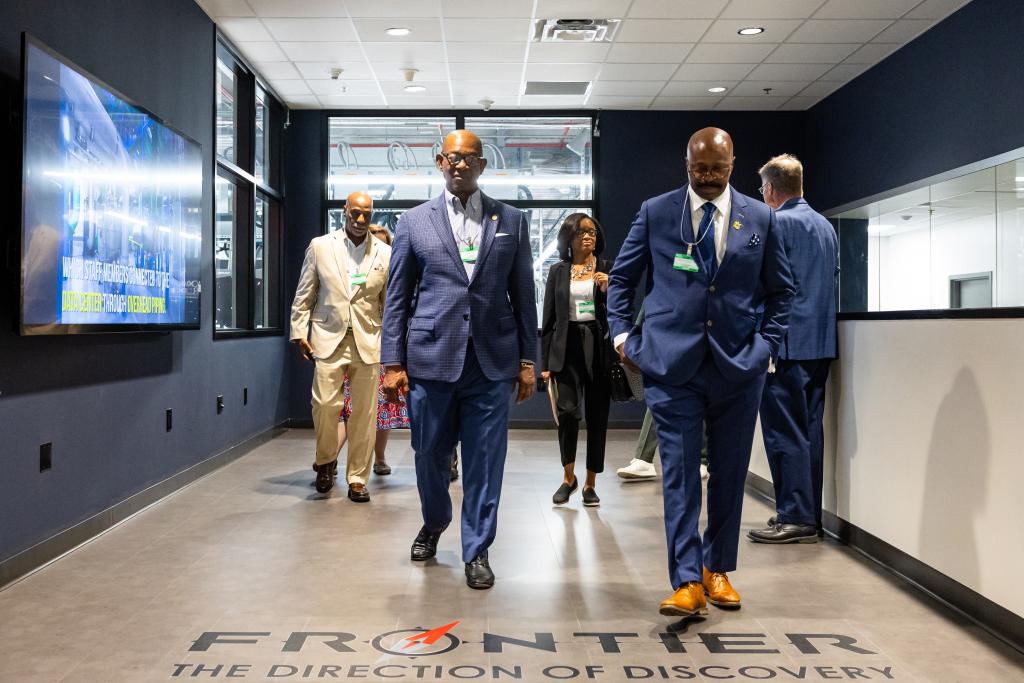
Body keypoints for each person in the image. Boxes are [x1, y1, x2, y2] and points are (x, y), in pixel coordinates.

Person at [607, 127, 794, 618]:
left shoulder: (761, 219)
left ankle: (718, 570)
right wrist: (624, 336)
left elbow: (781, 292)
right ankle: (687, 580)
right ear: (686, 165)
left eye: (718, 169)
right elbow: (623, 277)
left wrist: (767, 345)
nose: (708, 178)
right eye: (699, 169)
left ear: (733, 165)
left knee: (730, 473)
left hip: (739, 367)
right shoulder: (657, 211)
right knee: (681, 476)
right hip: (672, 365)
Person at [381, 130, 537, 590]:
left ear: (483, 165)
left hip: (491, 362)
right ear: (438, 162)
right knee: (429, 454)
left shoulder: (511, 219)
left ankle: (477, 548)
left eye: (469, 159)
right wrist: (392, 362)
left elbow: (524, 297)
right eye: (452, 158)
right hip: (430, 360)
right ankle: (435, 521)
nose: (459, 166)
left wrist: (529, 359)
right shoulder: (413, 222)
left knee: (485, 461)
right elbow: (397, 298)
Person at [748, 154, 838, 544]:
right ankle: (805, 513)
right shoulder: (825, 227)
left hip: (784, 345)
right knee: (809, 431)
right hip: (820, 344)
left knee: (784, 433)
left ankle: (795, 515)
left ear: (769, 189)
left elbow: (764, 285)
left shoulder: (774, 223)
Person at [291, 192, 391, 502]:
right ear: (344, 212)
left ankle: (358, 478)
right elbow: (304, 294)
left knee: (364, 413)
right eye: (355, 213)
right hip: (327, 338)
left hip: (369, 341)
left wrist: (394, 347)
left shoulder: (386, 254)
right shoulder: (320, 246)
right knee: (324, 406)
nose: (360, 220)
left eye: (366, 214)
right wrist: (298, 331)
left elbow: (389, 305)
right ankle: (325, 462)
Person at [541, 214, 613, 507]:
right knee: (568, 413)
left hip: (598, 345)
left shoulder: (608, 269)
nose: (588, 236)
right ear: (568, 238)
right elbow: (548, 320)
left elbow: (620, 310)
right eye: (581, 232)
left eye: (592, 232)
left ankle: (590, 483)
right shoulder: (558, 271)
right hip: (565, 346)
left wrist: (611, 289)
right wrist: (544, 363)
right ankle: (568, 477)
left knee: (598, 416)